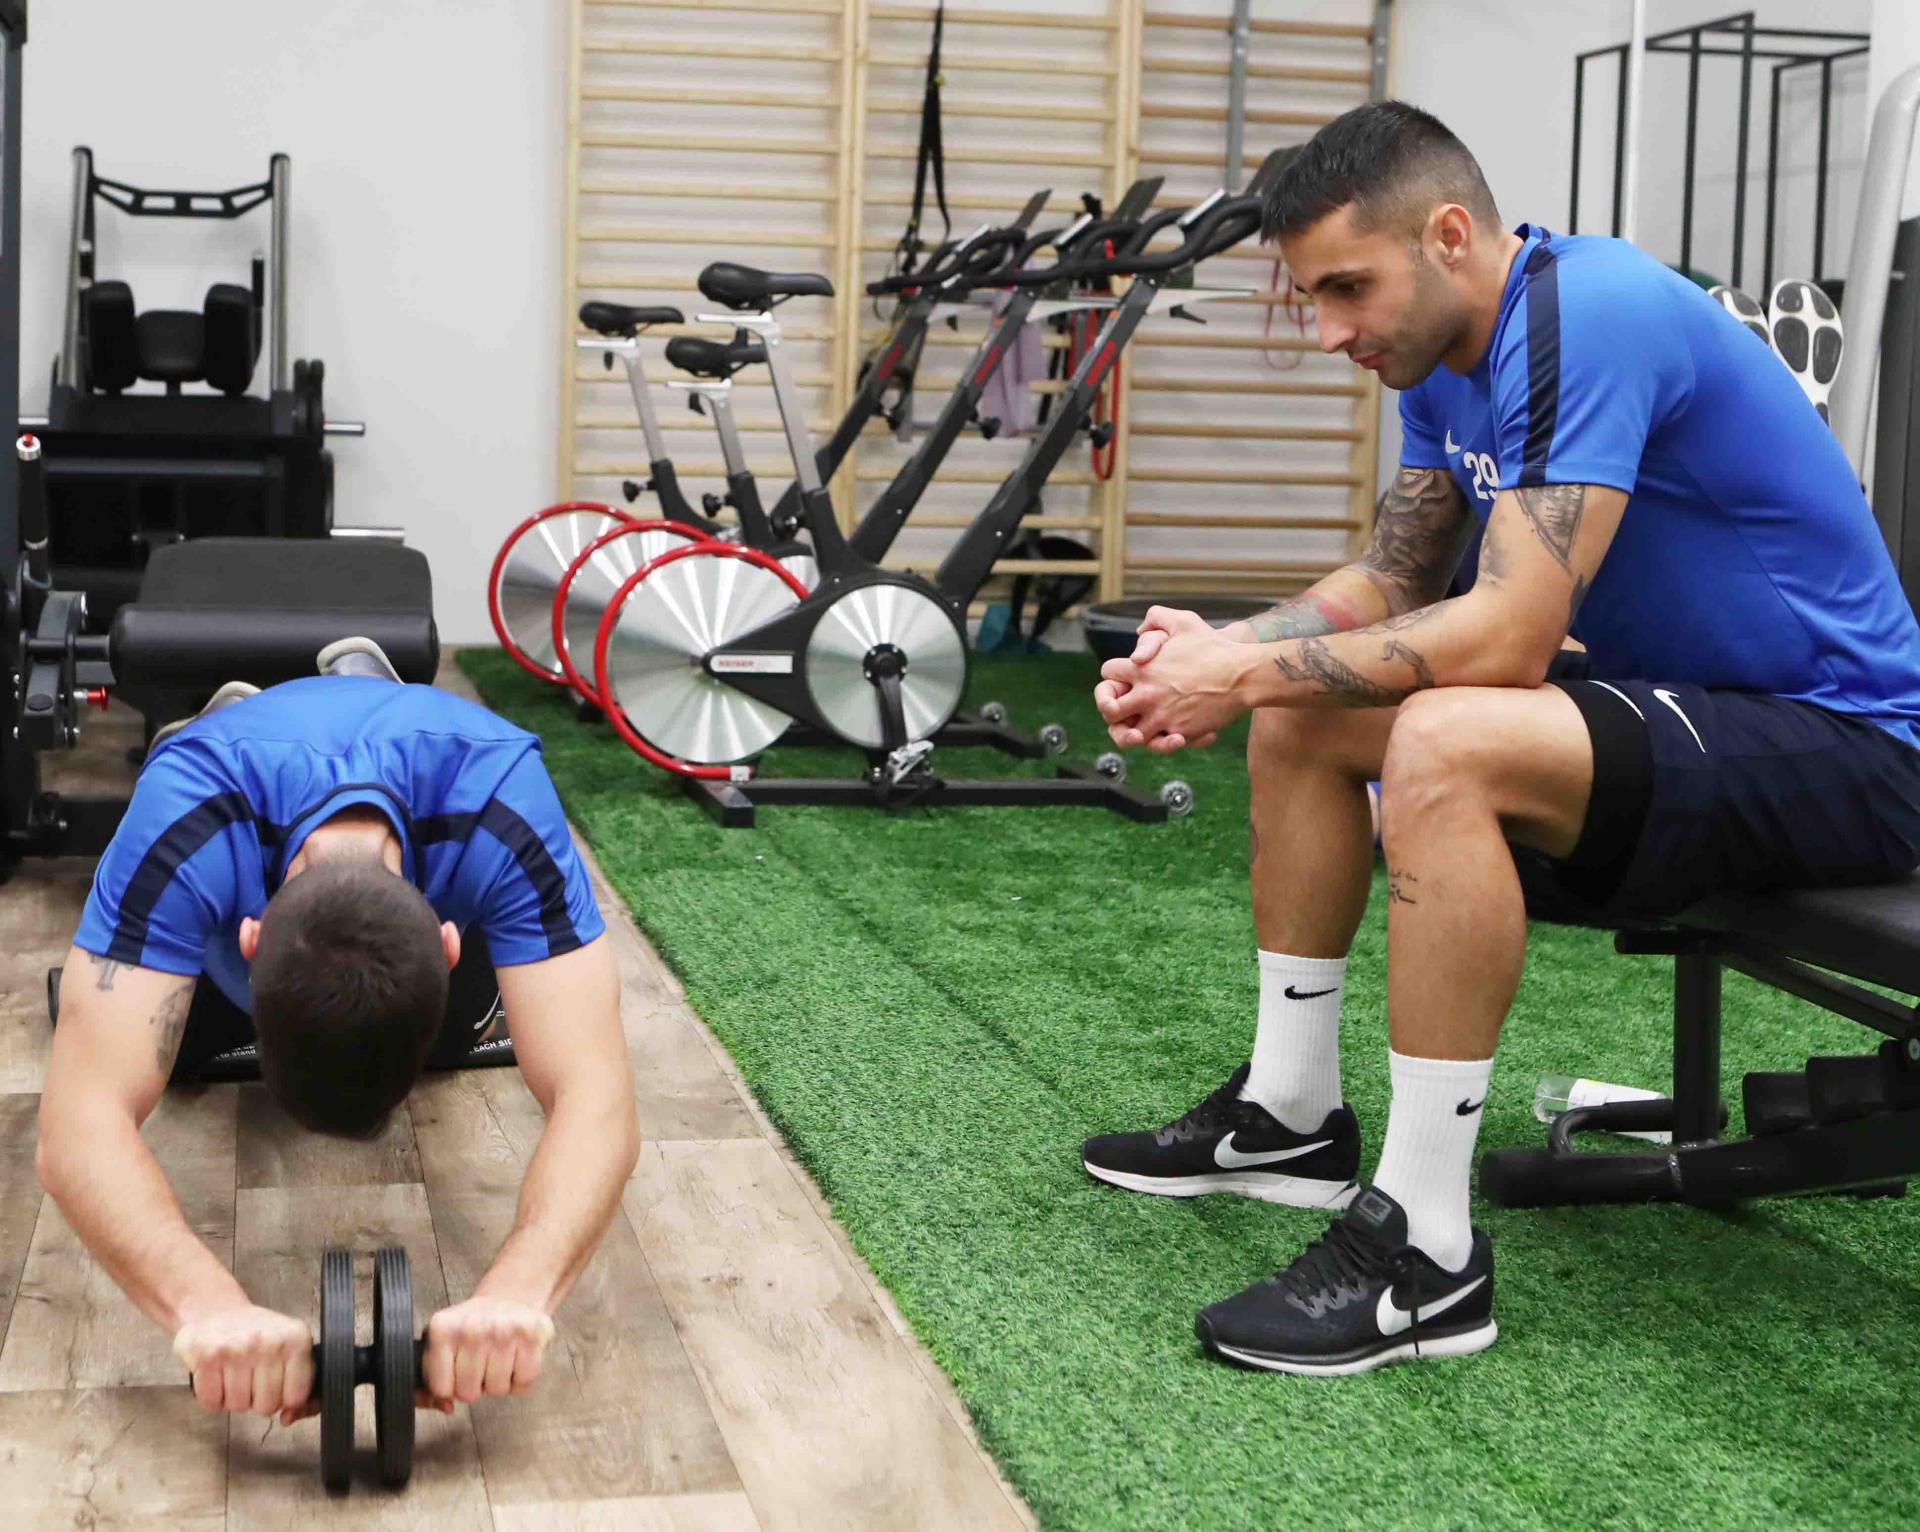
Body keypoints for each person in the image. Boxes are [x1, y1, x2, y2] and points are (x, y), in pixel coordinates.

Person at [1084, 100, 1920, 1376]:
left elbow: (1513, 633)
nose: (1332, 332)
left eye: (1348, 288)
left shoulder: (1594, 311)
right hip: (1688, 716)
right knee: (1304, 712)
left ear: (1449, 236)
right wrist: (1223, 651)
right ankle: (1290, 1113)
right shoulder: (1437, 358)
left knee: (1444, 736)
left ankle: (1425, 1252)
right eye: (1314, 297)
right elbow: (1395, 576)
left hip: (1853, 745)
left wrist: (1240, 672)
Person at [35, 638, 638, 1423]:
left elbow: (597, 1092)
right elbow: (76, 1128)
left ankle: (348, 691)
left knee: (460, 1038)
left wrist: (521, 1292)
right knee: (172, 1053)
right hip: (225, 780)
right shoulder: (184, 808)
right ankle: (235, 716)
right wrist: (204, 1306)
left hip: (426, 812)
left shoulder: (500, 792)